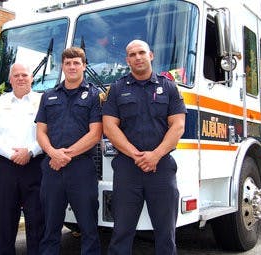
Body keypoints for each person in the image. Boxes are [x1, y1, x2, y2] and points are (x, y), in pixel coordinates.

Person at [102, 39, 187, 255]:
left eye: (141, 52)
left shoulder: (168, 87)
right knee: (121, 231)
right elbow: (110, 127)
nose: (137, 57)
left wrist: (156, 155)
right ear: (127, 60)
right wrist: (136, 155)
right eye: (132, 54)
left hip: (161, 168)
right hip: (127, 168)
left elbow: (178, 126)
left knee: (166, 232)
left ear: (151, 55)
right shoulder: (117, 89)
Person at [35, 47, 102, 255]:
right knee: (50, 225)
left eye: (76, 63)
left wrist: (65, 155)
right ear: (62, 66)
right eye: (67, 63)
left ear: (84, 65)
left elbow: (96, 133)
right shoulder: (48, 96)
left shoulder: (94, 95)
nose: (72, 67)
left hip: (81, 167)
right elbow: (41, 132)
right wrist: (53, 154)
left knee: (88, 226)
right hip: (52, 168)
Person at [0, 62, 44, 255]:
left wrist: (31, 151)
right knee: (5, 221)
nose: (20, 78)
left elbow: (51, 132)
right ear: (10, 80)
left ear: (32, 78)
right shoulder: (0, 103)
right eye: (16, 75)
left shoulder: (44, 100)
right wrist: (11, 154)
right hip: (6, 168)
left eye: (24, 75)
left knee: (37, 220)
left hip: (36, 166)